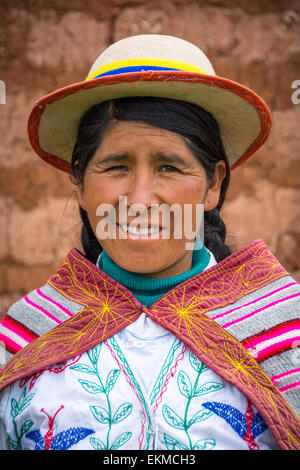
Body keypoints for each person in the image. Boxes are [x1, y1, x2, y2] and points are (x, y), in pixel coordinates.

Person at [0, 34, 299, 451]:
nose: (140, 200)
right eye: (115, 165)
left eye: (170, 167)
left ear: (214, 184)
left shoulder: (285, 332)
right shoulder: (24, 340)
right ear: (81, 184)